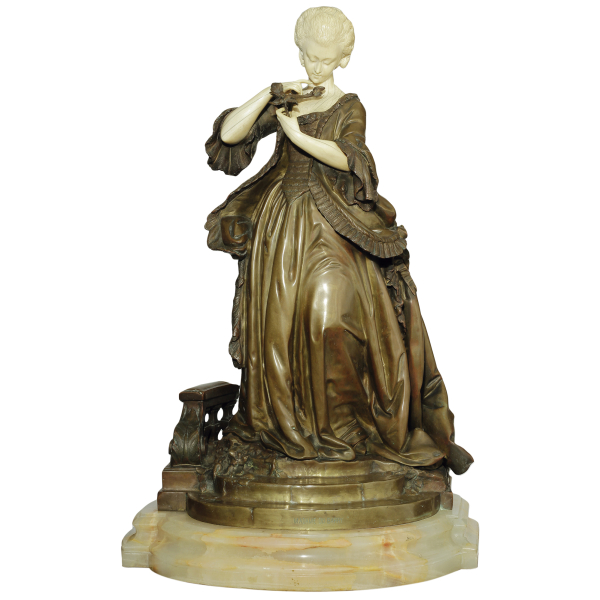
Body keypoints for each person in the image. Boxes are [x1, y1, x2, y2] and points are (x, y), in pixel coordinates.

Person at [204, 7, 472, 474]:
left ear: (343, 59)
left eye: (326, 60)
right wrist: (270, 92)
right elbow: (229, 136)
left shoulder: (349, 106)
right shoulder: (288, 98)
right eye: (310, 57)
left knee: (331, 321)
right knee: (277, 328)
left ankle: (341, 427)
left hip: (331, 223)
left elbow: (352, 159)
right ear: (300, 52)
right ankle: (288, 426)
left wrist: (293, 133)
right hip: (279, 226)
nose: (316, 67)